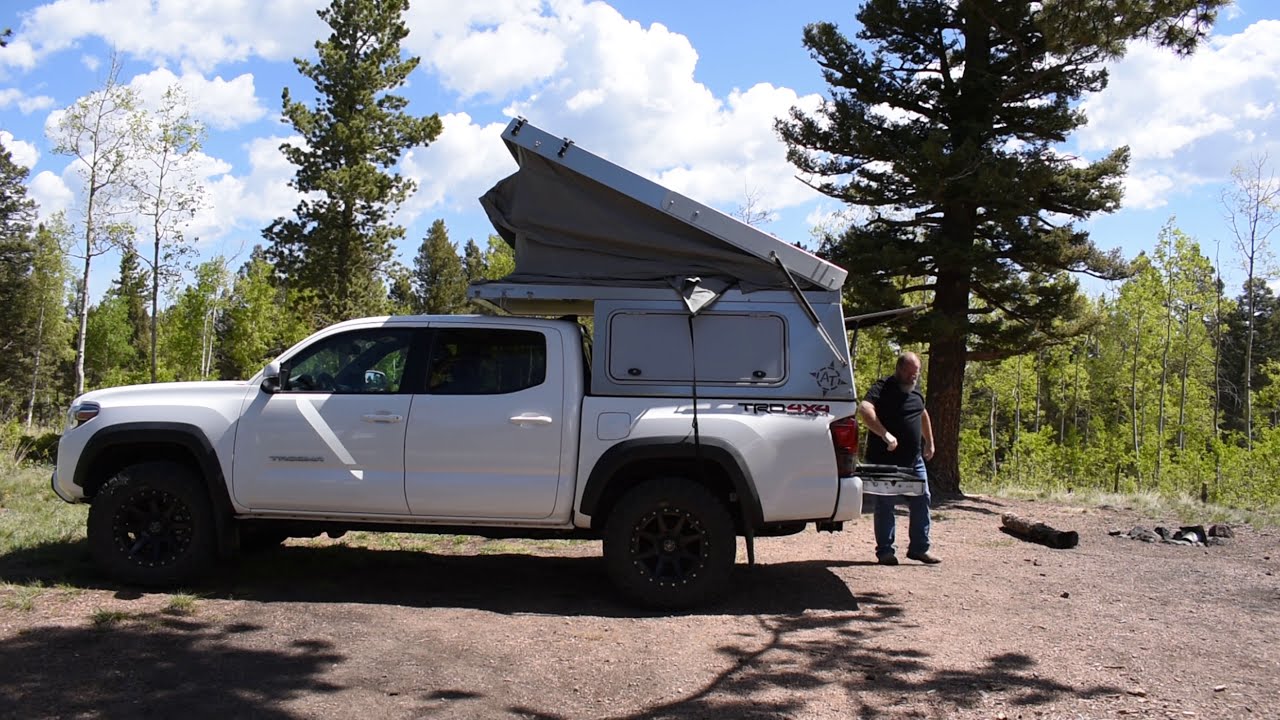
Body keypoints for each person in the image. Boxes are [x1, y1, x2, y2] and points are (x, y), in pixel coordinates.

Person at [858, 351, 940, 566]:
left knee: (923, 498)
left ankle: (919, 549)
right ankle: (885, 551)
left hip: (914, 460)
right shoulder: (883, 387)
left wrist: (930, 442)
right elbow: (864, 409)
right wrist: (884, 434)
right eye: (910, 373)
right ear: (900, 369)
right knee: (885, 504)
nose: (914, 377)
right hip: (885, 460)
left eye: (917, 373)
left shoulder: (915, 391)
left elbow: (923, 414)